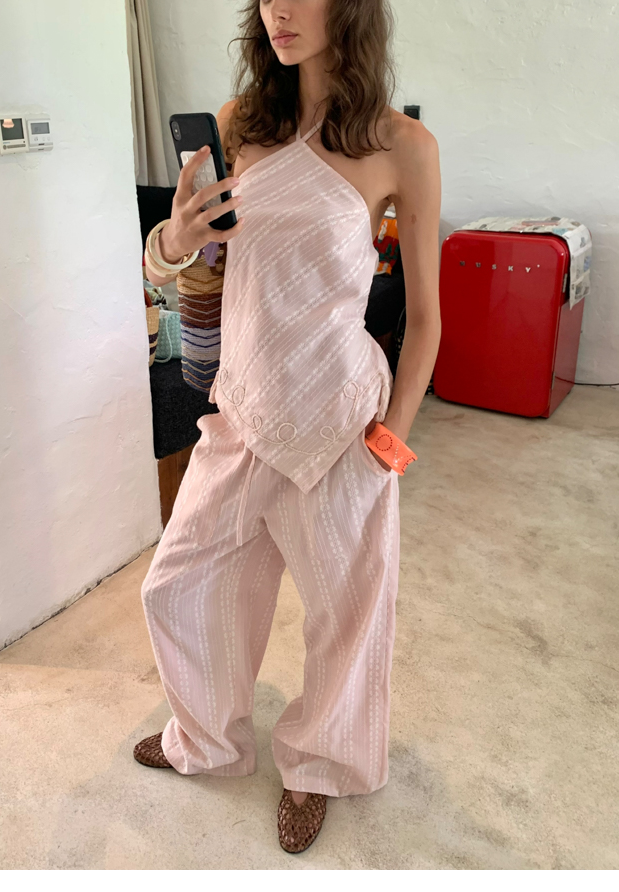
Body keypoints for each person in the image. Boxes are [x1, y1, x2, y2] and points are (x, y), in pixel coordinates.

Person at [137, 0, 441, 855]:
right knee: (177, 585)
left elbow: (425, 318)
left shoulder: (402, 146)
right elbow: (173, 261)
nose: (279, 8)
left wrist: (392, 440)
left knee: (347, 612)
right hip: (243, 404)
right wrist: (174, 234)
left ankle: (319, 765)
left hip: (341, 417)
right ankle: (206, 738)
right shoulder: (238, 124)